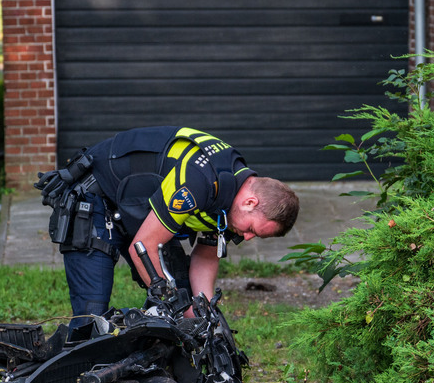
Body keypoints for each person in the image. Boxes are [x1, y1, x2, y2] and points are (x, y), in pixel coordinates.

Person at [36, 126, 298, 320]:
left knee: (185, 303)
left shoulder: (234, 194)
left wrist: (203, 313)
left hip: (140, 208)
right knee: (91, 319)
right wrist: (174, 304)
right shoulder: (200, 182)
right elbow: (142, 246)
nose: (248, 238)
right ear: (250, 203)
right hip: (96, 199)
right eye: (252, 230)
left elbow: (206, 255)